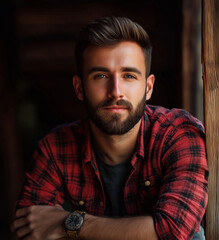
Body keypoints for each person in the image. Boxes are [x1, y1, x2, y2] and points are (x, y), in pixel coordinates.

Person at [11, 16, 208, 240]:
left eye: (129, 76)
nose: (115, 91)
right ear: (79, 87)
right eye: (101, 75)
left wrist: (70, 223)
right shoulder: (55, 149)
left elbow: (173, 230)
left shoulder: (178, 135)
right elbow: (29, 228)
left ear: (148, 87)